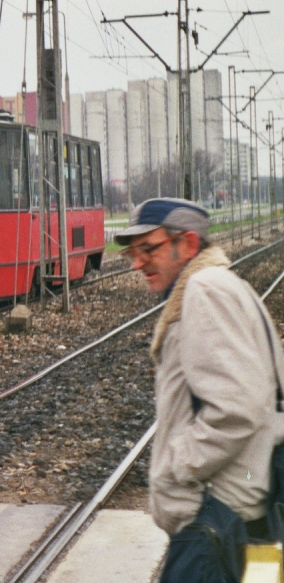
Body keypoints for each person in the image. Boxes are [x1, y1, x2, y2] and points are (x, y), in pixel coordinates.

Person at [116, 197, 284, 581]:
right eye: (132, 253)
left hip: (217, 528)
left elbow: (238, 406)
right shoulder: (220, 286)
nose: (138, 262)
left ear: (188, 244)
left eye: (149, 249)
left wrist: (179, 464)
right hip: (252, 523)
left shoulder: (204, 289)